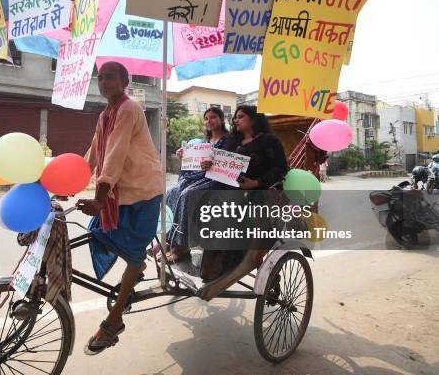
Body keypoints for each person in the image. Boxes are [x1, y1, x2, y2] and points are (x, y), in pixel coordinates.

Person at [77, 61, 163, 355]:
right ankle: (135, 266)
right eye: (100, 78)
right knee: (97, 233)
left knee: (134, 256)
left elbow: (113, 156)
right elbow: (94, 152)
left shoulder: (129, 108)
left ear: (125, 81)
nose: (104, 82)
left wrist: (99, 199)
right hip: (121, 193)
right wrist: (68, 182)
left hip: (142, 192)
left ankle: (114, 321)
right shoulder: (106, 114)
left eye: (110, 77)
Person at [168, 105, 289, 265]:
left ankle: (184, 245)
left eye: (241, 117)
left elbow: (281, 169)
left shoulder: (268, 140)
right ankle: (177, 240)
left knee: (191, 196)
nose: (236, 120)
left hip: (255, 192)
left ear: (253, 118)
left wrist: (255, 182)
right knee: (183, 193)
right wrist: (208, 165)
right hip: (225, 186)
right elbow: (219, 163)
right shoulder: (234, 140)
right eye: (235, 117)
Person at [151, 106, 229, 260]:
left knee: (187, 195)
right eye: (206, 119)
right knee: (171, 192)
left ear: (221, 119)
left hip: (215, 180)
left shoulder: (229, 140)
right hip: (197, 176)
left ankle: (182, 245)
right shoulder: (204, 141)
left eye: (213, 117)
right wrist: (184, 156)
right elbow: (193, 163)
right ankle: (168, 239)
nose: (209, 121)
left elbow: (230, 163)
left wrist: (214, 163)